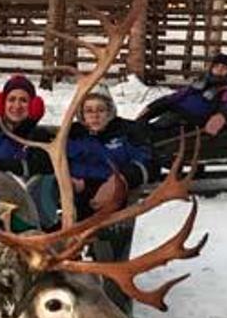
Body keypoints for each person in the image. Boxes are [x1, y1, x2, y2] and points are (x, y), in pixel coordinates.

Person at [32, 83, 155, 226]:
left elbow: (148, 160)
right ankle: (40, 230)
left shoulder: (126, 132)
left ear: (110, 111)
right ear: (81, 114)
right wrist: (67, 178)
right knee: (41, 186)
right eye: (89, 111)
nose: (95, 115)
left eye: (100, 110)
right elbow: (55, 159)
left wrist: (122, 179)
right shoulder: (73, 134)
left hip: (112, 195)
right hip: (74, 194)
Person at [137, 52, 227, 139]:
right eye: (217, 66)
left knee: (162, 128)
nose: (219, 70)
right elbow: (180, 95)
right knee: (164, 110)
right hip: (179, 112)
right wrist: (153, 106)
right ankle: (137, 127)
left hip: (198, 121)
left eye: (224, 68)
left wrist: (223, 116)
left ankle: (145, 134)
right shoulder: (203, 82)